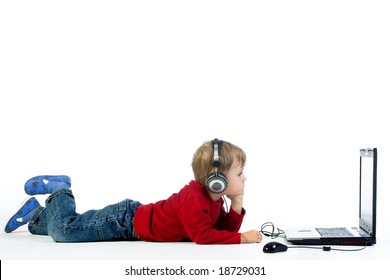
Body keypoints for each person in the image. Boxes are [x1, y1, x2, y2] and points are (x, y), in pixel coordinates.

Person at [4, 139, 262, 244]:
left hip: (131, 222)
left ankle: (37, 216)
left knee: (73, 225)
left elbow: (223, 231)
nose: (245, 177)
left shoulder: (215, 198)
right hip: (125, 221)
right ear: (216, 180)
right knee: (66, 232)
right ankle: (60, 191)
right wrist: (243, 238)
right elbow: (203, 236)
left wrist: (237, 201)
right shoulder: (194, 199)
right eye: (239, 173)